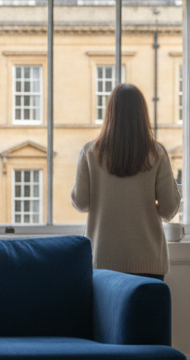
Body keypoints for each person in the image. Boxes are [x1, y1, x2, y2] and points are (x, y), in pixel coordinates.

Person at [70, 83, 181, 280]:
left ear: (110, 113)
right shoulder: (157, 154)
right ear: (142, 114)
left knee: (107, 312)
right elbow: (168, 209)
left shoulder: (90, 152)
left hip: (102, 259)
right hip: (148, 260)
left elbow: (80, 202)